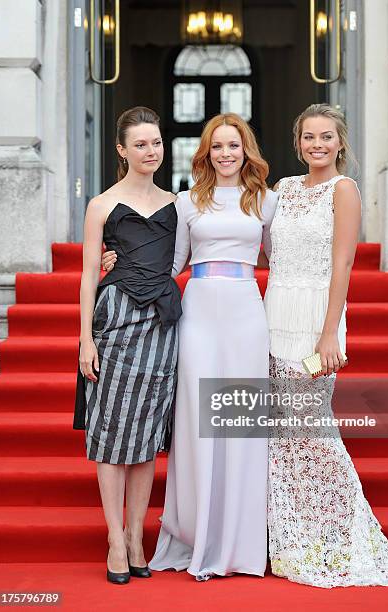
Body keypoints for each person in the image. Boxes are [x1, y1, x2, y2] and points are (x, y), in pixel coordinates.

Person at [103, 113, 277, 580]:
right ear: (206, 153)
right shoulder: (187, 202)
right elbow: (172, 261)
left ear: (246, 151)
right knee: (198, 423)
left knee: (240, 423)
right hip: (198, 313)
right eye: (217, 146)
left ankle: (238, 539)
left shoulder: (267, 199)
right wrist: (118, 257)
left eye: (233, 146)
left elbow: (280, 260)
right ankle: (197, 534)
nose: (225, 154)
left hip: (246, 314)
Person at [264, 103, 388, 587]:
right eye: (309, 137)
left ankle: (345, 537)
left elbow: (343, 266)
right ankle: (293, 540)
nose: (317, 145)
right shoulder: (283, 189)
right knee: (281, 435)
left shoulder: (344, 190)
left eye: (326, 137)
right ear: (297, 143)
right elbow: (254, 238)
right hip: (273, 314)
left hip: (315, 318)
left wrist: (330, 331)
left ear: (340, 143)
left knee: (314, 431)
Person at [74, 106, 181, 585]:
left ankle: (138, 536)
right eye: (140, 144)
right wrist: (84, 340)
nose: (150, 151)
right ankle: (115, 537)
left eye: (155, 143)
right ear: (121, 150)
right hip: (115, 320)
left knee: (146, 436)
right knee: (113, 430)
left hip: (162, 324)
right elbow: (85, 279)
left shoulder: (178, 204)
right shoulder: (100, 204)